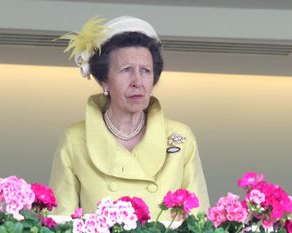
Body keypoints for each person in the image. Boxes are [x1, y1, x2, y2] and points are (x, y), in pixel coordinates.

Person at [49, 16, 209, 219]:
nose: (138, 81)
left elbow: (201, 221)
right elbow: (60, 222)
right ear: (104, 80)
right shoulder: (74, 140)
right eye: (126, 70)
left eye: (145, 71)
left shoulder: (181, 136)